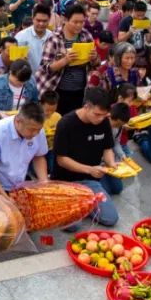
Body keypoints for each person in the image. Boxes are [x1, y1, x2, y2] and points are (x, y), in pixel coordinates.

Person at [51, 87, 120, 225]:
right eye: (97, 114)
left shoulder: (104, 122)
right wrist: (89, 169)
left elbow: (107, 148)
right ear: (86, 106)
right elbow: (61, 160)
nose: (100, 119)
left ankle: (83, 203)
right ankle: (70, 202)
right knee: (73, 226)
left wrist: (111, 164)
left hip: (90, 181)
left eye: (104, 115)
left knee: (110, 218)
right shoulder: (66, 123)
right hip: (66, 181)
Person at [0, 103, 50, 196]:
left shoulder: (38, 130)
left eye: (38, 130)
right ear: (18, 121)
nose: (35, 134)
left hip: (20, 185)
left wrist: (44, 182)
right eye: (31, 129)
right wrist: (4, 197)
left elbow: (39, 157)